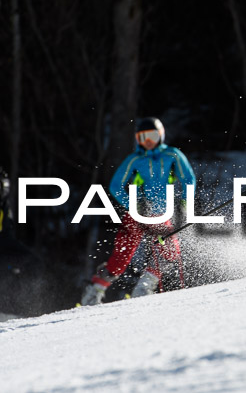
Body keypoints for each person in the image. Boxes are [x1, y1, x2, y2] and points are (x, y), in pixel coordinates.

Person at [81, 117, 197, 305]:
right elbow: (115, 186)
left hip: (160, 213)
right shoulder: (135, 159)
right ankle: (94, 291)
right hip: (137, 214)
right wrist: (132, 204)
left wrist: (185, 203)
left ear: (160, 135)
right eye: (142, 138)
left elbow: (188, 179)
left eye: (151, 136)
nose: (148, 142)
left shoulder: (172, 155)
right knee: (122, 255)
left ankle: (145, 286)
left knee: (169, 251)